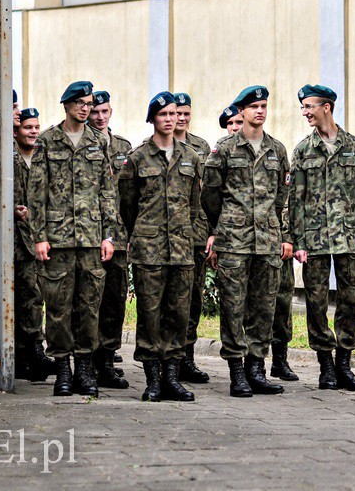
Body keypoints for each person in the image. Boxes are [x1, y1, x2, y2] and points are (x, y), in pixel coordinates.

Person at [201, 85, 291, 398]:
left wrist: (276, 226)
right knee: (233, 307)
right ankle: (236, 372)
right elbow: (210, 194)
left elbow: (283, 194)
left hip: (266, 241)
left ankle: (257, 369)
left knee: (264, 307)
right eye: (254, 107)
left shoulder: (277, 150)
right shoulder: (224, 149)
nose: (260, 111)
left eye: (264, 106)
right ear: (241, 111)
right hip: (233, 242)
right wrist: (221, 226)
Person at [29, 80, 116, 398]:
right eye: (79, 102)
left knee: (89, 307)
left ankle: (84, 370)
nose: (86, 107)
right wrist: (39, 237)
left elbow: (107, 192)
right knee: (58, 308)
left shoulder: (98, 141)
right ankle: (62, 371)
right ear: (66, 105)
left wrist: (109, 235)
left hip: (92, 240)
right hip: (59, 240)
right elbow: (36, 192)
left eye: (89, 103)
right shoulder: (48, 141)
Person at [289, 84, 355, 392]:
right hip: (313, 239)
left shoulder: (353, 146)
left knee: (351, 300)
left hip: (349, 237)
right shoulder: (302, 150)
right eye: (303, 108)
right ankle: (325, 365)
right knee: (315, 301)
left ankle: (344, 365)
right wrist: (297, 240)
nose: (305, 112)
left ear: (327, 107)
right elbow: (294, 200)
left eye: (310, 106)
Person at [120, 91, 200, 402]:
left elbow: (195, 205)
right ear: (153, 118)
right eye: (163, 114)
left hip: (181, 249)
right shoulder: (138, 157)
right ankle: (152, 380)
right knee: (150, 314)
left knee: (178, 314)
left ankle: (172, 378)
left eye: (173, 114)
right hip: (148, 249)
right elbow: (127, 205)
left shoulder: (191, 157)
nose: (169, 119)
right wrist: (137, 235)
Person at [84, 90, 131, 389]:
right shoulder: (82, 144)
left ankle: (107, 359)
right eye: (95, 112)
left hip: (120, 237)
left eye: (105, 111)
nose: (100, 117)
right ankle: (86, 361)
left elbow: (131, 195)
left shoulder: (124, 147)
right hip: (88, 235)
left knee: (114, 300)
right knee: (89, 301)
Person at [13, 107, 56, 381]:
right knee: (23, 296)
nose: (33, 131)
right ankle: (24, 354)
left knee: (36, 296)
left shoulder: (43, 158)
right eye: (28, 127)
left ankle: (33, 352)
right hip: (16, 240)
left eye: (36, 127)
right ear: (16, 131)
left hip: (38, 239)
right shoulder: (9, 157)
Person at [172, 92, 211, 384]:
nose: (181, 118)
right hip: (168, 237)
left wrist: (211, 234)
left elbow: (207, 195)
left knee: (194, 299)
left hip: (196, 236)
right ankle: (167, 358)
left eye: (186, 113)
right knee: (171, 300)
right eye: (177, 113)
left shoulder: (201, 147)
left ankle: (187, 357)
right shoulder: (155, 148)